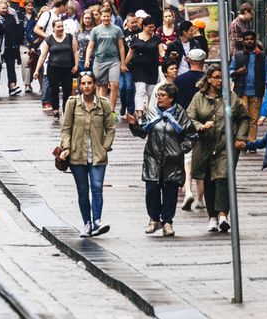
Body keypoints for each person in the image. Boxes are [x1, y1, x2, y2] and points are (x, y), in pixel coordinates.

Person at [125, 82, 194, 237]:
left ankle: (168, 222)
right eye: (157, 95)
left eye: (162, 95)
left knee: (170, 191)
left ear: (171, 98)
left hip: (172, 160)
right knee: (152, 189)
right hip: (153, 158)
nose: (159, 98)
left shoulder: (180, 114)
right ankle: (154, 219)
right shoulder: (151, 113)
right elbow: (142, 132)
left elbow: (190, 134)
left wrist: (182, 149)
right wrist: (134, 125)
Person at [188, 67, 251, 232]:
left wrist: (240, 138)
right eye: (216, 77)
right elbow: (190, 117)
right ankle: (212, 217)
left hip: (226, 144)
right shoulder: (198, 97)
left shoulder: (231, 97)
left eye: (222, 78)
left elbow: (244, 117)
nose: (219, 81)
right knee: (209, 180)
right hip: (205, 145)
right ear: (209, 79)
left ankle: (223, 215)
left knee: (223, 177)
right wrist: (200, 126)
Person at [60, 73, 115, 237]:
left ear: (95, 84)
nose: (86, 86)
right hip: (77, 155)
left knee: (97, 188)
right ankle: (87, 223)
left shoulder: (103, 104)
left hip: (98, 154)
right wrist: (66, 147)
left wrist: (105, 146)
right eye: (83, 83)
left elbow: (110, 128)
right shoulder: (73, 103)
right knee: (83, 191)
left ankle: (97, 220)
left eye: (89, 83)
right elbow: (66, 128)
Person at [35, 17, 78, 120]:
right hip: (53, 68)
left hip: (67, 68)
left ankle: (65, 110)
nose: (60, 28)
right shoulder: (49, 39)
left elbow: (75, 52)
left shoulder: (70, 37)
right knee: (53, 90)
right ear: (53, 28)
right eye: (58, 27)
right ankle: (55, 110)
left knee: (67, 90)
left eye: (62, 26)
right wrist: (37, 70)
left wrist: (76, 65)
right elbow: (42, 56)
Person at [85, 1, 126, 111]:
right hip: (99, 60)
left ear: (110, 16)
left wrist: (123, 63)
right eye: (104, 16)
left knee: (114, 84)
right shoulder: (96, 30)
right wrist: (87, 59)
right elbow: (90, 46)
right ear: (101, 17)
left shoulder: (117, 29)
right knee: (101, 86)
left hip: (114, 60)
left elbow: (121, 47)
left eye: (108, 16)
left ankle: (112, 109)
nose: (106, 18)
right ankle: (102, 108)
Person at [231, 30, 267, 143]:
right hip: (241, 90)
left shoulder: (262, 55)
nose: (249, 41)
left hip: (257, 90)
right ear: (243, 42)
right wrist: (238, 72)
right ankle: (242, 139)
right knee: (242, 115)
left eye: (251, 39)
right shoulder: (238, 55)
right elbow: (229, 71)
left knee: (254, 117)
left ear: (255, 41)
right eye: (247, 39)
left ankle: (251, 142)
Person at [123, 14, 161, 116]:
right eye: (150, 27)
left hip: (152, 68)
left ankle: (148, 112)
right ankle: (139, 113)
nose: (152, 29)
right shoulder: (135, 38)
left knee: (150, 92)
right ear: (144, 27)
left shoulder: (157, 39)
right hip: (139, 68)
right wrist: (124, 64)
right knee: (140, 90)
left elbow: (162, 53)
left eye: (153, 27)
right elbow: (130, 53)